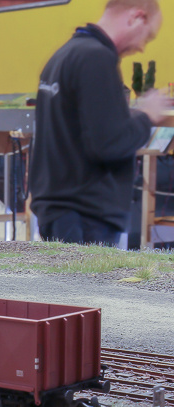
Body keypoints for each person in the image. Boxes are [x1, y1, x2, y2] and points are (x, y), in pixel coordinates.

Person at [30, 0, 169, 246]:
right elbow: (109, 143)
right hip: (84, 218)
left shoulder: (63, 55)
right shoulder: (97, 59)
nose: (141, 48)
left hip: (59, 211)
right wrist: (147, 116)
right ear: (136, 17)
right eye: (147, 37)